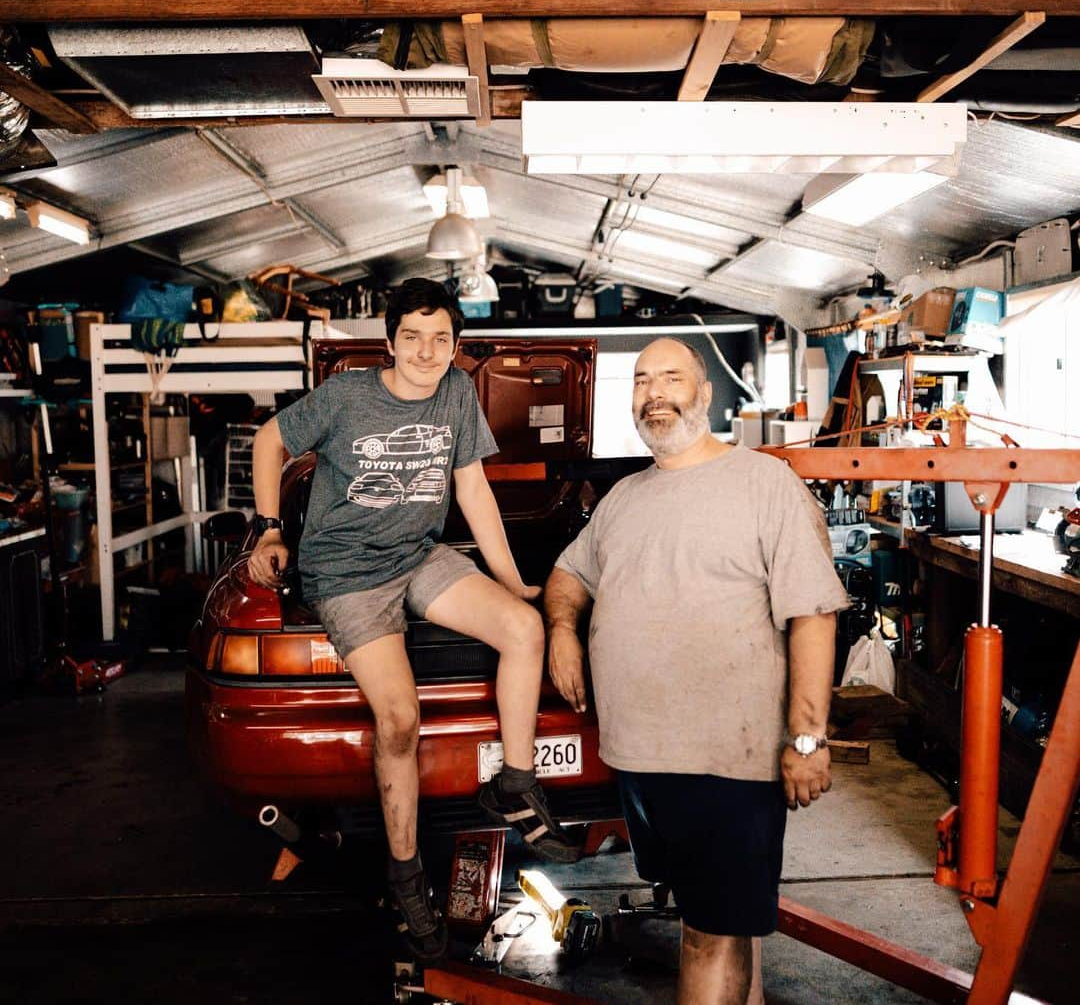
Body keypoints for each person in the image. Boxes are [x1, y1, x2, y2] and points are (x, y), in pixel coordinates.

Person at [247, 278, 581, 961]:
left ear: (455, 343)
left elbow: (472, 487)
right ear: (390, 339)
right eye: (413, 337)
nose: (428, 351)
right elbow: (267, 439)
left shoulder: (458, 391)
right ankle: (405, 878)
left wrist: (512, 578)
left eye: (441, 338)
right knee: (399, 719)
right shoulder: (345, 396)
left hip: (417, 554)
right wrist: (269, 527)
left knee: (523, 627)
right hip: (345, 571)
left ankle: (514, 784)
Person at [544, 337, 849, 1005]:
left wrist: (806, 739)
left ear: (705, 394)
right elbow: (568, 572)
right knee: (716, 918)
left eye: (671, 377)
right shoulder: (625, 497)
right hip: (645, 760)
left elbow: (813, 614)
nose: (655, 392)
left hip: (727, 761)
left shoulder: (764, 483)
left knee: (708, 934)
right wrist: (563, 627)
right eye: (642, 379)